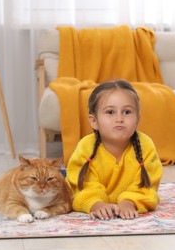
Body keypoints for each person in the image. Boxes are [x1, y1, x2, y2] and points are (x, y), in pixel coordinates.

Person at [66, 79, 163, 220]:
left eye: (127, 112)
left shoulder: (145, 146)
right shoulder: (85, 147)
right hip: (97, 200)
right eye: (110, 112)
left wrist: (129, 203)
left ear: (137, 120)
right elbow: (81, 186)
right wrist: (96, 204)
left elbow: (148, 187)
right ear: (94, 121)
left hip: (130, 201)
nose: (119, 118)